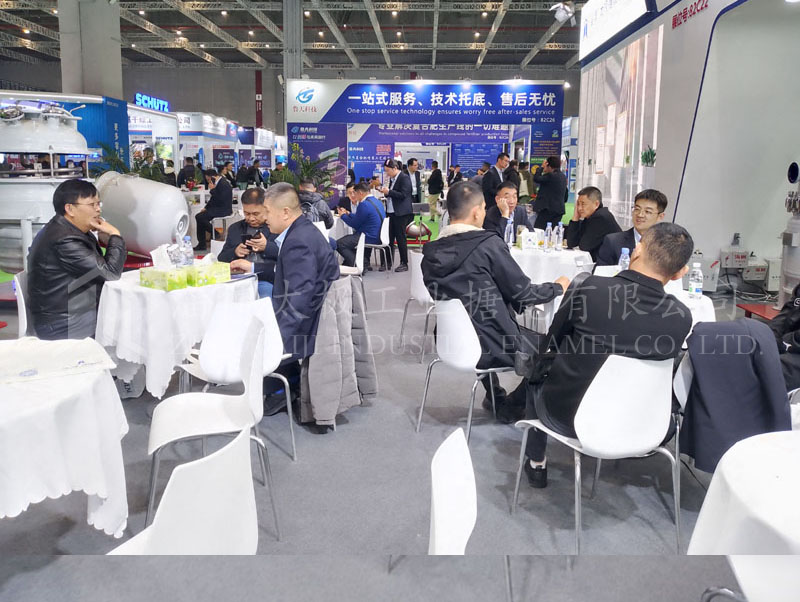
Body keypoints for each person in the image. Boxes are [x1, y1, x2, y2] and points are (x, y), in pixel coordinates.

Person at [520, 222, 694, 488]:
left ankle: (537, 463)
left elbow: (553, 341)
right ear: (680, 273)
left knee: (537, 373)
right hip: (643, 422)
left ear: (636, 250)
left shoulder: (589, 288)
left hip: (569, 415)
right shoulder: (681, 317)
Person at [421, 181, 570, 423]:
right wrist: (557, 287)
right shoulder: (487, 245)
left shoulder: (430, 254)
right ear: (476, 212)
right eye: (483, 208)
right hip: (493, 343)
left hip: (451, 340)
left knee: (486, 322)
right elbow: (523, 293)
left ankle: (495, 396)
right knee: (561, 349)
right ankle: (511, 406)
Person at [241, 183, 340, 415]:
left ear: (285, 212)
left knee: (253, 332)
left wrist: (274, 337)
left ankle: (280, 389)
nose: (264, 218)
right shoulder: (302, 231)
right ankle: (287, 383)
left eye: (267, 211)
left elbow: (297, 301)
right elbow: (291, 277)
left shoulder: (297, 241)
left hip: (308, 322)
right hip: (314, 312)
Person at [27, 179, 126, 340]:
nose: (98, 209)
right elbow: (110, 273)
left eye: (98, 204)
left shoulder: (67, 229)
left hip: (71, 309)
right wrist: (115, 235)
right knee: (127, 319)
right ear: (70, 209)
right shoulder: (65, 240)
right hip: (62, 323)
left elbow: (101, 268)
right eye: (92, 204)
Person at [219, 187, 278, 298]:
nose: (251, 218)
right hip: (237, 279)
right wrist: (235, 251)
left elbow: (287, 255)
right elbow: (221, 258)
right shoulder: (235, 228)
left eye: (256, 214)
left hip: (265, 279)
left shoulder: (276, 227)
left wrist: (266, 247)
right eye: (246, 213)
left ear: (266, 209)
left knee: (265, 298)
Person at [596, 189, 668, 266]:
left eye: (647, 211)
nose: (640, 215)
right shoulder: (613, 241)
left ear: (660, 216)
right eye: (637, 209)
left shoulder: (667, 244)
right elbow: (600, 271)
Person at [336, 181, 386, 268]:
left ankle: (359, 264)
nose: (354, 196)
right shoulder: (376, 201)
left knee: (340, 244)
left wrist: (343, 216)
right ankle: (362, 261)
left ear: (360, 193)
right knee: (348, 240)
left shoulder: (364, 204)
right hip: (378, 235)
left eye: (355, 193)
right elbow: (361, 217)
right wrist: (349, 214)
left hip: (369, 236)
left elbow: (354, 224)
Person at [564, 186, 621, 261]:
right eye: (578, 204)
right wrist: (575, 218)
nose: (579, 208)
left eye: (583, 204)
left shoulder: (600, 217)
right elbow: (571, 243)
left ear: (596, 204)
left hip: (610, 263)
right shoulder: (590, 216)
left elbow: (584, 246)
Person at [380, 158, 414, 272]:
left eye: (388, 171)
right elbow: (392, 194)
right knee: (388, 238)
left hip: (401, 213)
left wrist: (389, 192)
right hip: (390, 212)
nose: (387, 173)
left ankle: (404, 263)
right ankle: (388, 262)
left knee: (400, 238)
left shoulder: (404, 178)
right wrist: (386, 193)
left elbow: (404, 194)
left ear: (395, 168)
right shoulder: (392, 179)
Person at [194, 168, 233, 251]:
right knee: (199, 216)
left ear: (213, 177)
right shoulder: (218, 183)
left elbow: (220, 199)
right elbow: (213, 199)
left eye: (208, 179)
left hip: (224, 209)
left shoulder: (223, 184)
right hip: (218, 208)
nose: (208, 182)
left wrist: (212, 190)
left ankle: (215, 233)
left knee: (199, 217)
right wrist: (206, 208)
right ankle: (202, 244)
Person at [531, 156, 567, 229]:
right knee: (552, 231)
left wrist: (541, 167)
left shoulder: (550, 176)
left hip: (547, 209)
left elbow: (536, 178)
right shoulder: (563, 176)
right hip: (559, 209)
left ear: (549, 166)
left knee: (539, 229)